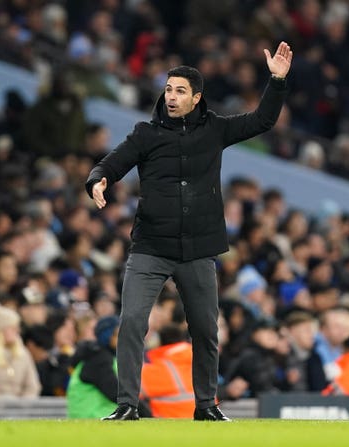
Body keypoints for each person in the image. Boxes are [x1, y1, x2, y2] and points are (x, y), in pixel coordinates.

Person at [86, 41, 293, 421]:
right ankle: (128, 405)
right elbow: (113, 163)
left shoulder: (215, 129)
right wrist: (98, 180)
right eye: (168, 89)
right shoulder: (145, 134)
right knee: (132, 322)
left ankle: (206, 405)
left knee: (205, 331)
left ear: (196, 98)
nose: (171, 96)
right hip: (150, 246)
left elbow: (262, 121)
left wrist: (276, 81)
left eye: (180, 90)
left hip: (198, 249)